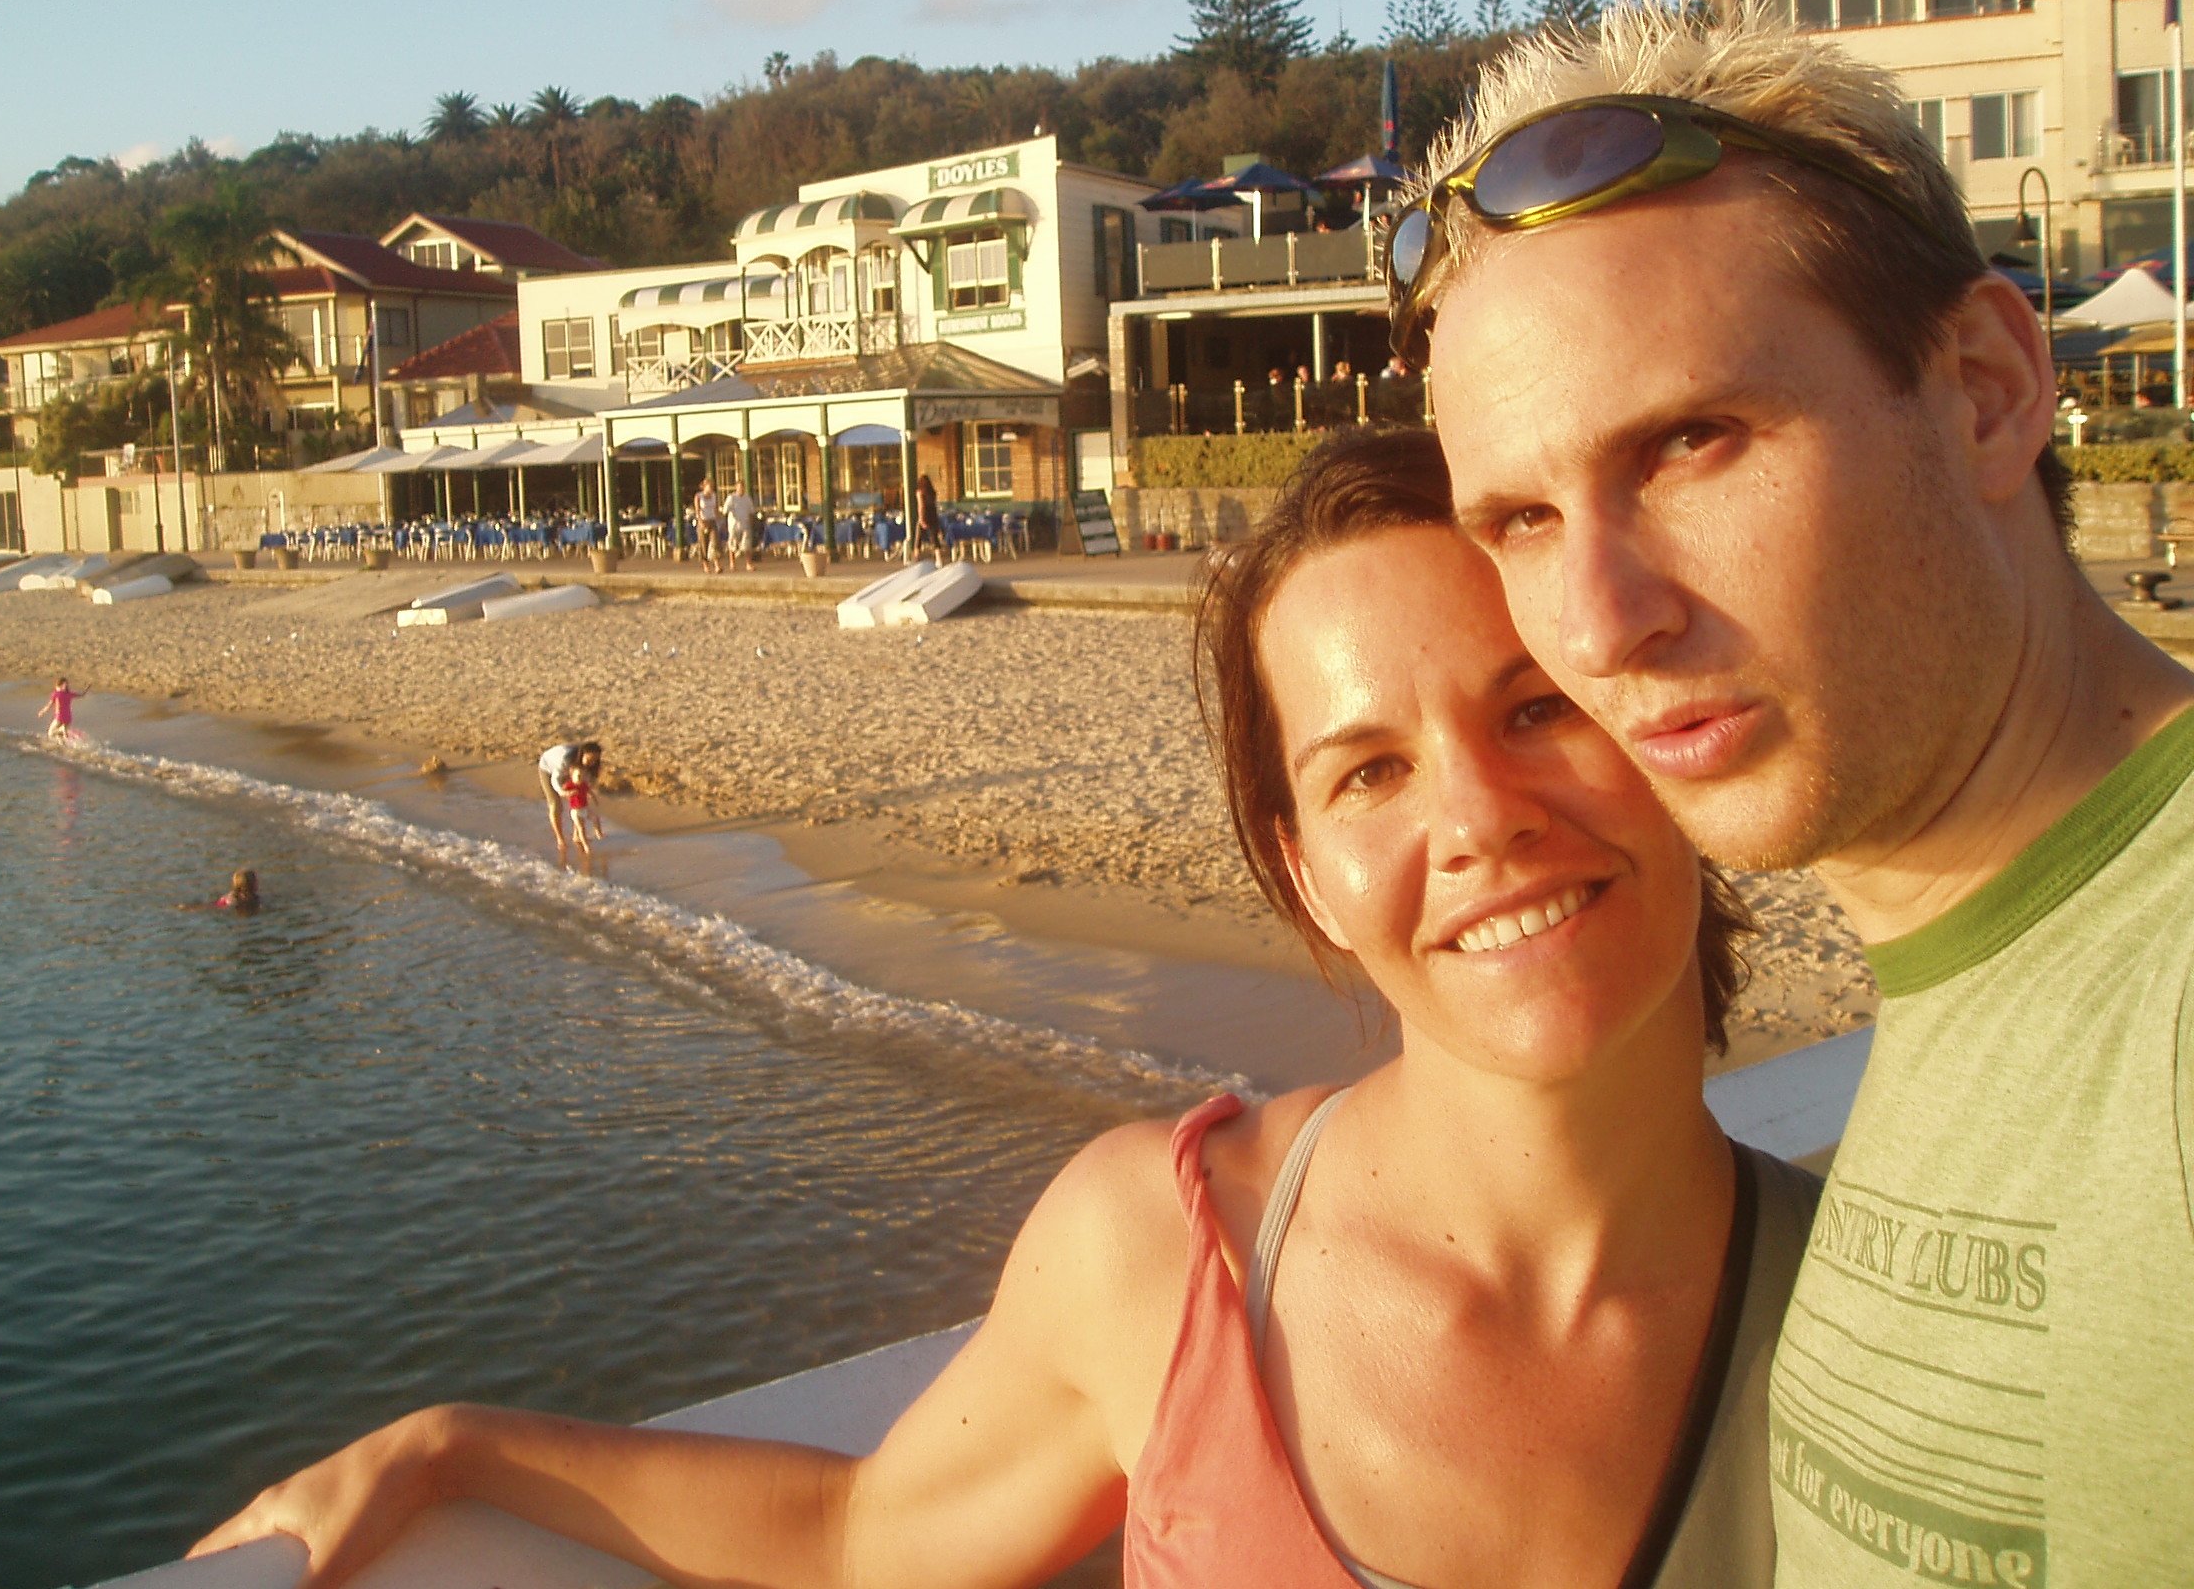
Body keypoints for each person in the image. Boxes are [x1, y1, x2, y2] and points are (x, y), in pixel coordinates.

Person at [191, 430, 1817, 1589]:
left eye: (1535, 708)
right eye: (1369, 771)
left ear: (1664, 728)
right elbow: (860, 1539)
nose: (1476, 821)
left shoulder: (1886, 1298)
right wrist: (452, 1445)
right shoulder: (1170, 1252)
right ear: (1305, 874)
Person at [1392, 1, 2194, 1583]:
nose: (1600, 627)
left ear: (1985, 390)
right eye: (1523, 522)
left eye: (1693, 443)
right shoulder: (1991, 973)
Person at [536, 740, 601, 864]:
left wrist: (588, 792)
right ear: (582, 755)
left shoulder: (591, 766)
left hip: (571, 770)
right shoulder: (565, 760)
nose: (592, 763)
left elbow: (587, 781)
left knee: (580, 803)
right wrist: (562, 792)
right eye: (589, 759)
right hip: (548, 768)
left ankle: (577, 835)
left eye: (595, 760)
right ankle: (560, 839)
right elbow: (555, 779)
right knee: (556, 805)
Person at [562, 764, 602, 854]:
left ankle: (598, 834)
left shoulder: (584, 784)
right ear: (572, 776)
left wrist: (595, 799)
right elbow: (562, 792)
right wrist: (568, 793)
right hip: (575, 811)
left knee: (595, 818)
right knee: (581, 827)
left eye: (583, 776)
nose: (581, 778)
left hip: (585, 808)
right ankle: (585, 845)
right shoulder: (569, 785)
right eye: (578, 776)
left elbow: (590, 792)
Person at [721, 480, 757, 573]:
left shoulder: (747, 498)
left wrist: (751, 521)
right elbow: (725, 511)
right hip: (734, 525)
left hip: (745, 525)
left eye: (743, 487)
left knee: (746, 545)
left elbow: (751, 511)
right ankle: (732, 563)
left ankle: (748, 564)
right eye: (740, 487)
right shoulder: (731, 498)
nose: (741, 489)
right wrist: (725, 523)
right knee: (733, 545)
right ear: (736, 488)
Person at [38, 676, 85, 743]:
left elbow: (49, 705)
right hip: (68, 717)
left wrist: (42, 712)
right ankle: (62, 745)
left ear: (58, 685)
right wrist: (85, 690)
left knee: (50, 733)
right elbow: (81, 695)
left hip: (59, 717)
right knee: (60, 736)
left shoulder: (56, 694)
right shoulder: (69, 694)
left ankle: (61, 730)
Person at [912, 470, 943, 562]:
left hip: (925, 515)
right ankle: (939, 558)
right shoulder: (932, 493)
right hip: (933, 515)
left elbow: (921, 506)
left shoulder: (919, 492)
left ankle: (916, 556)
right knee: (934, 537)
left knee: (918, 538)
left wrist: (921, 519)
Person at [692, 476, 721, 573]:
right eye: (709, 486)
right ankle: (706, 564)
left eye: (712, 487)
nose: (711, 489)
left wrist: (719, 518)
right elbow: (697, 510)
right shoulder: (698, 496)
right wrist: (700, 521)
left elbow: (715, 508)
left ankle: (717, 565)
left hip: (712, 520)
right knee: (704, 544)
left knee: (714, 542)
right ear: (704, 487)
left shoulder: (714, 495)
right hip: (703, 521)